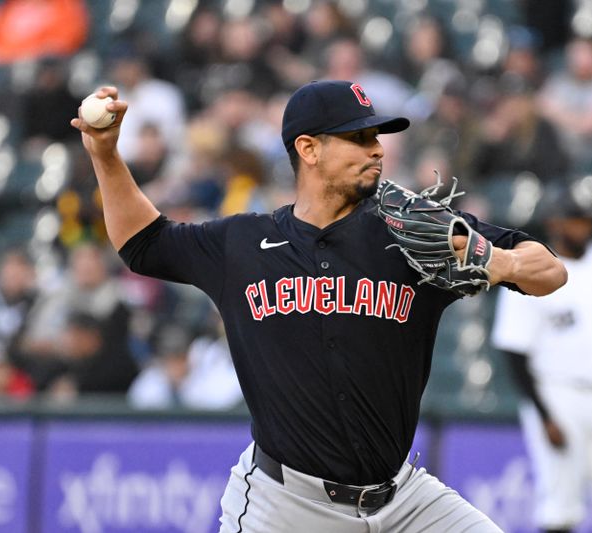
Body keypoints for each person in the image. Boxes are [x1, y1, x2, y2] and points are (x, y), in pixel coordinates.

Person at [71, 80, 566, 532]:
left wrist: (491, 260)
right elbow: (142, 243)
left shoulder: (416, 235)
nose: (376, 149)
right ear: (308, 148)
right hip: (286, 507)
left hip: (404, 501)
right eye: (358, 138)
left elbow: (551, 271)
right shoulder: (242, 244)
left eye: (377, 137)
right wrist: (106, 155)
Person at [490, 186, 592, 533]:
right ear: (555, 221)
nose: (583, 227)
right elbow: (514, 351)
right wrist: (543, 414)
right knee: (560, 506)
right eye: (575, 219)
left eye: (587, 220)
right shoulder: (531, 269)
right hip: (558, 392)